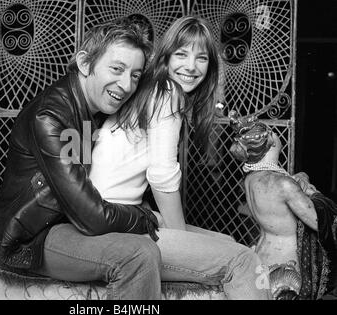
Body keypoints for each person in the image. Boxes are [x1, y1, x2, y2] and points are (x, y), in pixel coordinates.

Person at [89, 16, 270, 299]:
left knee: (227, 240)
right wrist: (183, 239)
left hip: (113, 215)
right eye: (181, 54)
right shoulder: (167, 92)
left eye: (201, 58)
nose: (190, 66)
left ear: (211, 65)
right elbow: (161, 175)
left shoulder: (153, 88)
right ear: (166, 57)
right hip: (110, 225)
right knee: (246, 261)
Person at [0, 19, 163, 300]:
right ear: (84, 63)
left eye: (135, 75)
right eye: (117, 69)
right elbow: (93, 217)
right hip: (32, 238)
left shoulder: (93, 107)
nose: (126, 84)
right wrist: (142, 216)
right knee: (138, 255)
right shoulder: (50, 116)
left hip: (66, 223)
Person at [228, 110, 337, 299]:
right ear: (271, 140)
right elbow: (320, 222)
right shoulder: (283, 184)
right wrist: (315, 194)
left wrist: (299, 181)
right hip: (285, 270)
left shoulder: (251, 178)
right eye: (272, 131)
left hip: (260, 258)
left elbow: (277, 201)